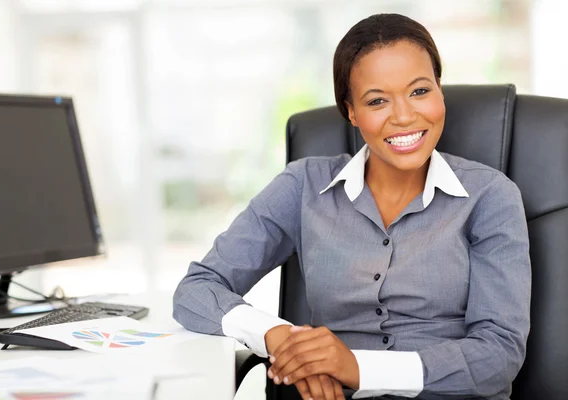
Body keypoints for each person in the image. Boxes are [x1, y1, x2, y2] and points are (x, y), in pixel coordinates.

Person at [173, 13, 531, 400]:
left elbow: (499, 353)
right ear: (351, 112)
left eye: (420, 91)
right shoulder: (303, 186)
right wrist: (286, 342)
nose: (404, 116)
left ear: (439, 90)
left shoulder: (491, 196)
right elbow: (197, 290)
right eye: (377, 100)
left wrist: (357, 368)